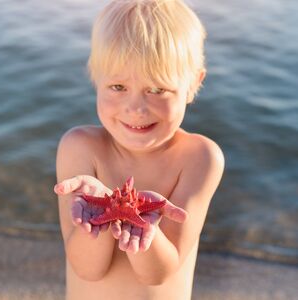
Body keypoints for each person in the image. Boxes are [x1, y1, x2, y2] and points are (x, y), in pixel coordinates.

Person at [53, 0, 224, 299]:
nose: (135, 108)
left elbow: (158, 273)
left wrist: (145, 226)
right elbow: (87, 269)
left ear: (193, 84)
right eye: (118, 87)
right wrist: (103, 212)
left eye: (157, 90)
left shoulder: (199, 157)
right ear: (95, 76)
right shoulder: (79, 148)